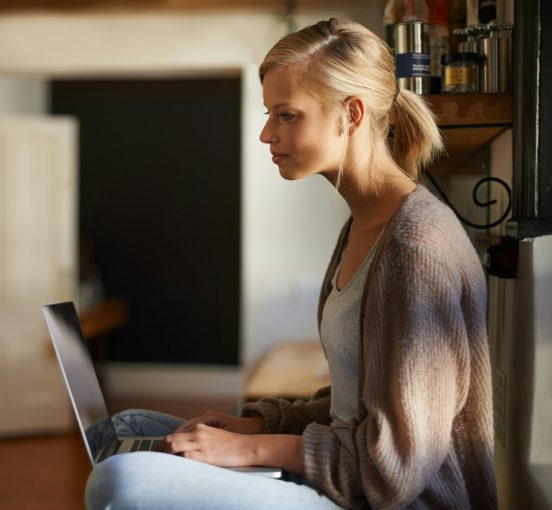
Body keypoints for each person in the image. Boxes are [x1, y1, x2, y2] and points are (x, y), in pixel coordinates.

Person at [85, 17, 496, 509]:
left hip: (386, 500)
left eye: (286, 115)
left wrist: (250, 448)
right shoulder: (363, 226)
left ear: (352, 114)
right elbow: (355, 404)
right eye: (269, 114)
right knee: (125, 429)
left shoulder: (416, 248)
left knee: (122, 482)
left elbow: (394, 467)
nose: (265, 134)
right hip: (344, 478)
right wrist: (259, 424)